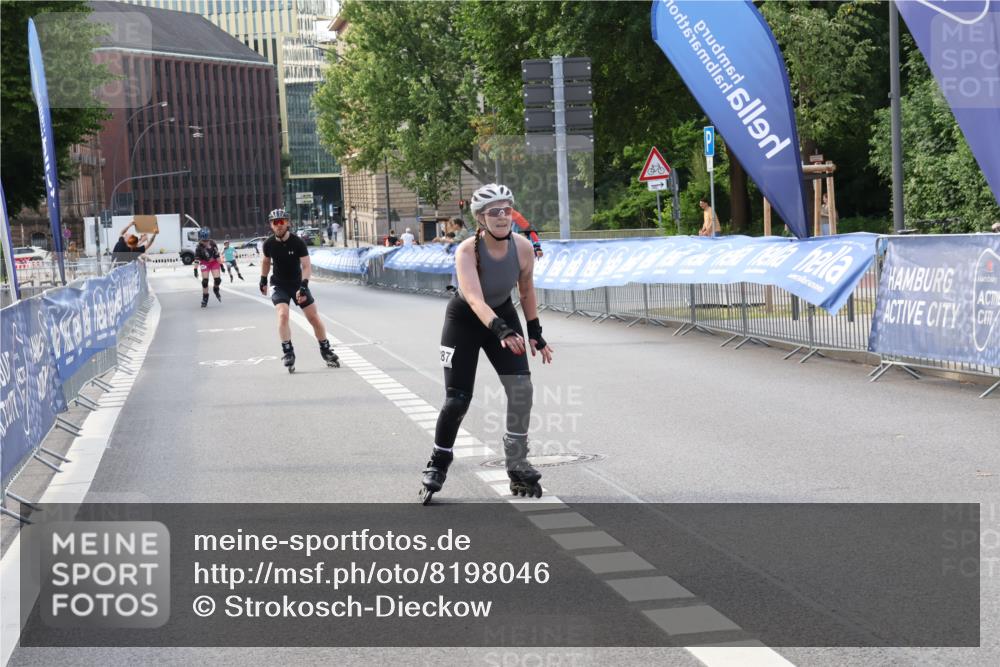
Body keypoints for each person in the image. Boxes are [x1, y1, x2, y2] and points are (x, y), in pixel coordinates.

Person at [419, 183, 555, 504]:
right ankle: (438, 462)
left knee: (521, 389)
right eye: (493, 212)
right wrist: (502, 330)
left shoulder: (521, 248)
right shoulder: (468, 251)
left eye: (506, 210)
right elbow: (477, 301)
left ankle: (517, 460)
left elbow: (526, 291)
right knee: (457, 400)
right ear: (480, 218)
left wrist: (534, 331)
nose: (502, 216)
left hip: (503, 315)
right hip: (465, 321)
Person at [259, 208, 340, 372]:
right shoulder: (268, 244)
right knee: (283, 315)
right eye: (275, 223)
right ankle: (288, 352)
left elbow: (306, 266)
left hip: (298, 283)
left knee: (313, 318)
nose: (279, 225)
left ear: (287, 223)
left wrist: (303, 286)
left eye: (282, 222)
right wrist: (263, 279)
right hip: (279, 284)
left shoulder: (297, 242)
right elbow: (266, 261)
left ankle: (325, 349)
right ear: (271, 225)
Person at [194, 230, 224, 307]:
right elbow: (197, 259)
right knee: (205, 281)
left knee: (218, 280)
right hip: (205, 263)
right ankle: (205, 298)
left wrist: (221, 265)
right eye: (204, 241)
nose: (206, 242)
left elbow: (217, 255)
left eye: (207, 240)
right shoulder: (198, 247)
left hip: (214, 262)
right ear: (201, 239)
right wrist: (195, 269)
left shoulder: (213, 243)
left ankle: (216, 289)